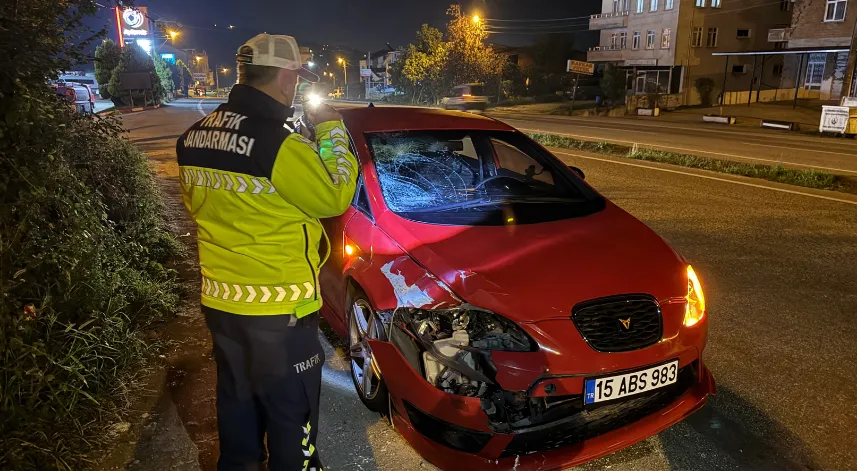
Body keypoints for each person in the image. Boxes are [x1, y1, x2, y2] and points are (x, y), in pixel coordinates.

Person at [175, 33, 358, 471]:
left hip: (222, 303)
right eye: (295, 77)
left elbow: (205, 208)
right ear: (285, 76)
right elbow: (335, 195)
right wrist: (332, 131)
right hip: (280, 310)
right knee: (291, 418)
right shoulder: (278, 145)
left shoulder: (194, 137)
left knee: (237, 405)